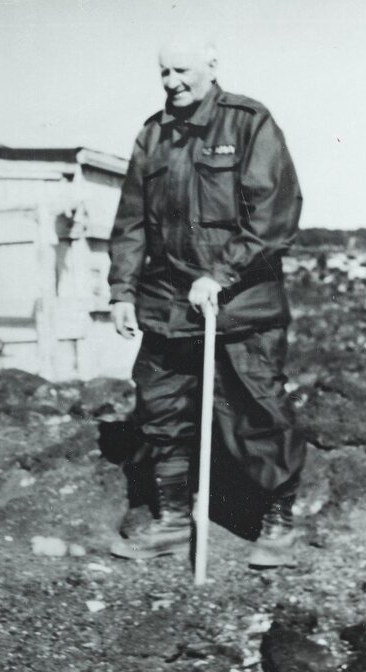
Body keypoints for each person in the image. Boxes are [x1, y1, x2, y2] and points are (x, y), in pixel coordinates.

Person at [107, 32, 304, 568]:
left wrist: (221, 273)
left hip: (239, 307)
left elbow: (275, 213)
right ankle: (172, 522)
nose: (172, 83)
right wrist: (121, 291)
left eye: (182, 72)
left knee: (255, 411)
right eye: (164, 74)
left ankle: (277, 524)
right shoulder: (154, 134)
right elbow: (130, 222)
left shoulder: (247, 122)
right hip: (166, 305)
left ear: (211, 66)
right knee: (161, 408)